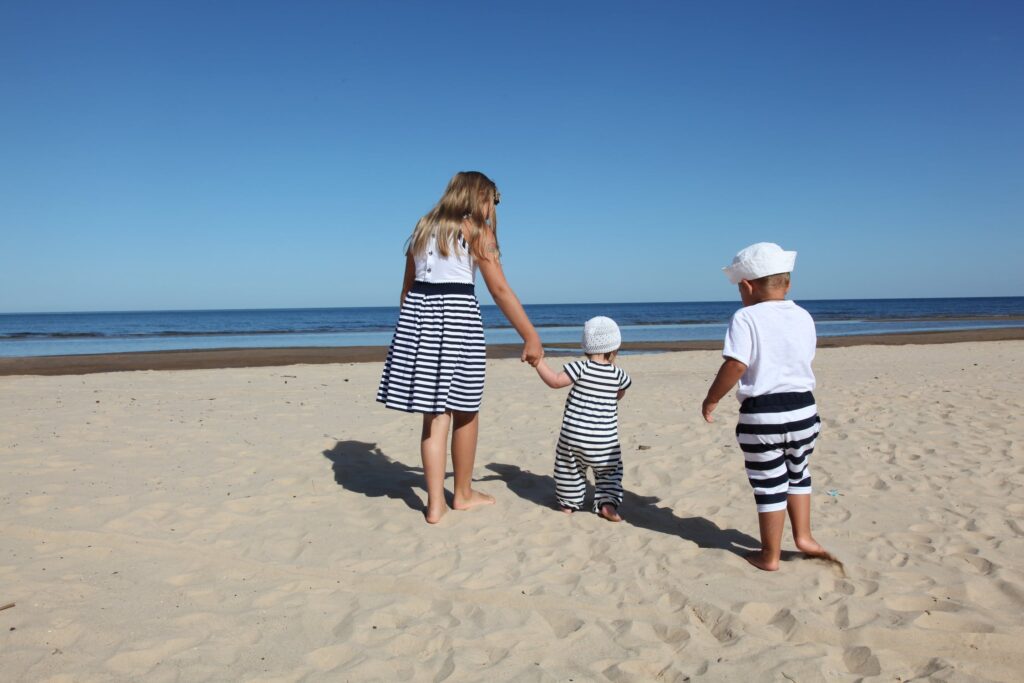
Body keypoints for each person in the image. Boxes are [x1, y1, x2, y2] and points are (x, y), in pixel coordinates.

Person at [377, 171, 544, 524]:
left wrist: (413, 332)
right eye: (493, 201)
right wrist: (530, 334)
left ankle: (435, 504)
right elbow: (499, 290)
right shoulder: (476, 230)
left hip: (418, 319)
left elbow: (407, 288)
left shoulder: (423, 227)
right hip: (457, 319)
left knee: (435, 415)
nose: (493, 208)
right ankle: (463, 493)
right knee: (466, 408)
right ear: (479, 197)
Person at [701, 242, 839, 571]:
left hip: (763, 415)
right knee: (798, 473)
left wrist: (712, 398)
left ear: (747, 287)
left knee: (769, 483)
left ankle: (770, 555)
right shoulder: (803, 316)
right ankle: (804, 537)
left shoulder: (745, 317)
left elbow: (736, 364)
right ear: (787, 284)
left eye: (739, 288)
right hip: (804, 411)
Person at [532, 316, 631, 522]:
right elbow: (619, 394)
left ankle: (568, 504)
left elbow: (555, 381)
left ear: (586, 346)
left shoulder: (580, 367)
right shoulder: (619, 375)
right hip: (605, 441)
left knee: (569, 470)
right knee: (609, 473)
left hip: (574, 436)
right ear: (615, 348)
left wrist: (539, 363)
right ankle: (607, 505)